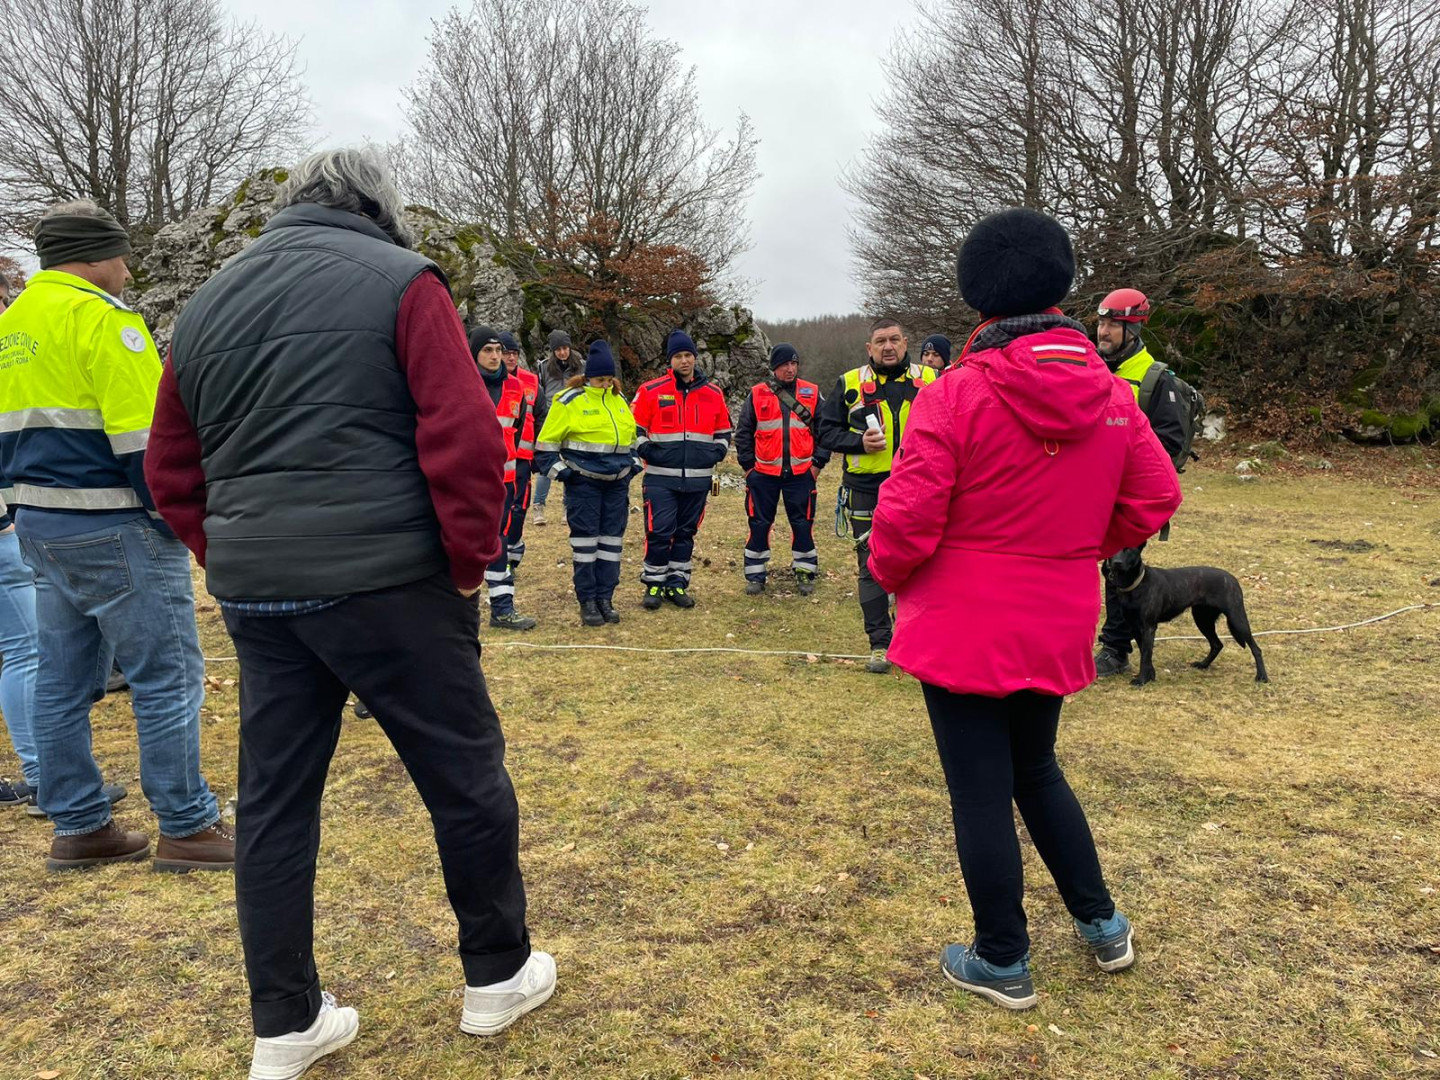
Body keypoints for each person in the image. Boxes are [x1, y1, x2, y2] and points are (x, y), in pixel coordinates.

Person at [147, 148, 555, 1076]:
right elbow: (464, 437)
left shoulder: (205, 301)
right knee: (463, 778)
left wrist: (234, 552)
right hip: (391, 583)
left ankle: (284, 1022)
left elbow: (170, 466)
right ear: (380, 209)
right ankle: (497, 973)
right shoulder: (406, 283)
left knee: (275, 805)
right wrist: (465, 565)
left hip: (262, 594)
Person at [868, 208, 1182, 1011]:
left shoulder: (954, 396)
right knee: (1036, 768)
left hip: (961, 624)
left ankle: (1002, 958)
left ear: (980, 303)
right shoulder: (1113, 395)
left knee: (980, 789)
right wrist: (1076, 544)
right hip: (1057, 613)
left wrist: (890, 576)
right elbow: (1155, 493)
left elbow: (904, 526)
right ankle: (1101, 924)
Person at [0, 199, 227, 871]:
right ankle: (187, 824)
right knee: (169, 675)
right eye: (122, 254)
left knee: (61, 679)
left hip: (37, 524)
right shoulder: (104, 323)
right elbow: (146, 444)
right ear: (95, 256)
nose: (128, 269)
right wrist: (180, 521)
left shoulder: (11, 326)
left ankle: (79, 823)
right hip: (113, 521)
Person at [817, 318, 937, 673]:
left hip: (921, 487)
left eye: (895, 340)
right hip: (866, 489)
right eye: (880, 341)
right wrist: (858, 442)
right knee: (871, 565)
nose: (888, 346)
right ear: (869, 348)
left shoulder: (932, 381)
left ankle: (916, 640)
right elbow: (825, 432)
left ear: (905, 343)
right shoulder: (850, 384)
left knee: (924, 565)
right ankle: (879, 645)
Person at [1092, 288, 1186, 678]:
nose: (1104, 331)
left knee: (1121, 567)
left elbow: (1171, 443)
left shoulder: (1154, 380)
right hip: (1091, 492)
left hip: (1128, 496)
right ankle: (1113, 639)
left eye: (1114, 324)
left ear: (1134, 330)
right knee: (1100, 568)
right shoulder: (1089, 370)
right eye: (1102, 322)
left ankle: (1116, 647)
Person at [533, 341, 638, 626]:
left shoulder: (619, 400)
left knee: (611, 545)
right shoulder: (569, 400)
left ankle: (606, 598)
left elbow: (633, 438)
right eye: (600, 379)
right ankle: (588, 601)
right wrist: (565, 474)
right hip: (585, 486)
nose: (605, 385)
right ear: (589, 376)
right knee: (586, 544)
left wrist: (634, 465)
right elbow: (544, 446)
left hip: (617, 485)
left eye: (608, 379)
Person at [631, 330, 732, 610]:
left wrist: (717, 452)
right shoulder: (650, 390)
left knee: (686, 532)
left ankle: (676, 583)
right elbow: (634, 428)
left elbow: (724, 429)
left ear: (695, 358)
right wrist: (646, 450)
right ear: (670, 360)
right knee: (660, 531)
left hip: (698, 480)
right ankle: (653, 583)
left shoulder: (713, 393)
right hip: (660, 478)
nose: (684, 361)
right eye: (678, 356)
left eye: (688, 355)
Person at [734, 343, 830, 595]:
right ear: (774, 367)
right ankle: (755, 574)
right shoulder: (756, 394)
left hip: (801, 475)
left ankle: (805, 570)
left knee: (802, 523)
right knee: (759, 523)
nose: (790, 369)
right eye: (785, 364)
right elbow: (743, 433)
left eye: (794, 363)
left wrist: (817, 464)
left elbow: (826, 431)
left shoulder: (812, 392)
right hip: (763, 476)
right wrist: (748, 468)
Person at [472, 326, 538, 631]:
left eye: (498, 350)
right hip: (468, 482)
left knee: (498, 544)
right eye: (488, 350)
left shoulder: (516, 389)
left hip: (505, 481)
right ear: (474, 353)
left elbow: (518, 426)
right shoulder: (462, 384)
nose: (495, 356)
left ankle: (502, 608)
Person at [531, 329, 582, 526]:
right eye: (558, 349)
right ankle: (538, 506)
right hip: (551, 420)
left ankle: (567, 507)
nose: (562, 352)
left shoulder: (581, 366)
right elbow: (540, 394)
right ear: (552, 351)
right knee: (547, 466)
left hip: (574, 420)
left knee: (572, 463)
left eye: (565, 348)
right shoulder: (543, 367)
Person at [500, 331, 539, 572]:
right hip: (497, 457)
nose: (511, 358)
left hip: (523, 458)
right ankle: (496, 556)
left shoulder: (531, 381)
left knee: (519, 507)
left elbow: (541, 414)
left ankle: (512, 553)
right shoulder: (487, 380)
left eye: (514, 353)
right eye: (506, 353)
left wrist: (539, 450)